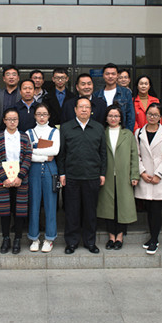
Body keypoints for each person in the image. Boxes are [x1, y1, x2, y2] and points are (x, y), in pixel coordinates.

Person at [58, 96, 107, 254]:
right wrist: (62, 173)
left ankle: (90, 242)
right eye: (81, 107)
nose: (84, 110)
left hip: (92, 176)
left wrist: (102, 173)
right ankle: (71, 242)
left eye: (87, 107)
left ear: (91, 110)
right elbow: (61, 153)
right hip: (71, 176)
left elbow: (103, 153)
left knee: (90, 212)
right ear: (75, 110)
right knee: (72, 211)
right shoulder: (66, 128)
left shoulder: (98, 128)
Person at [97, 104, 139, 250]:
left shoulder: (128, 134)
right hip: (107, 175)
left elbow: (134, 155)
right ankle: (111, 237)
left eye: (116, 116)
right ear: (106, 118)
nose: (113, 118)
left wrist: (134, 174)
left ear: (121, 118)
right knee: (109, 207)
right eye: (110, 116)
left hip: (124, 176)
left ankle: (120, 236)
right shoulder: (102, 133)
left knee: (123, 206)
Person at [0, 108, 32, 254]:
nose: (12, 122)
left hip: (21, 179)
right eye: (9, 119)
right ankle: (6, 238)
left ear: (18, 120)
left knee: (19, 210)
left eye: (15, 119)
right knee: (4, 211)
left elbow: (28, 156)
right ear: (4, 120)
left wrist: (20, 176)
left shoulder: (24, 137)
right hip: (3, 179)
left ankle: (17, 239)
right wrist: (4, 178)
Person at [134, 103, 162, 255]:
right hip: (145, 177)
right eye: (150, 114)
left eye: (155, 115)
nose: (152, 117)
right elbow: (136, 155)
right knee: (148, 209)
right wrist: (142, 172)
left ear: (160, 117)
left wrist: (158, 175)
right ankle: (152, 237)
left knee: (156, 210)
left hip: (159, 178)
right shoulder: (139, 132)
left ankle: (154, 240)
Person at [26, 104, 60, 253]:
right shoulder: (28, 132)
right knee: (33, 203)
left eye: (44, 114)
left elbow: (55, 150)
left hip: (50, 170)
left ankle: (49, 238)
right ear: (34, 115)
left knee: (50, 204)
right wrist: (45, 156)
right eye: (39, 114)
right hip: (33, 171)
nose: (41, 117)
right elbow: (27, 154)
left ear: (49, 116)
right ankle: (34, 238)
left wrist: (35, 150)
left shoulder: (55, 132)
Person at [93, 63, 135, 131]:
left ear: (117, 75)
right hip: (102, 132)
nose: (110, 76)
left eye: (113, 74)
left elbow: (130, 116)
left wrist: (127, 134)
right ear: (103, 75)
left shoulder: (126, 93)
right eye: (107, 74)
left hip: (121, 132)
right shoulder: (96, 95)